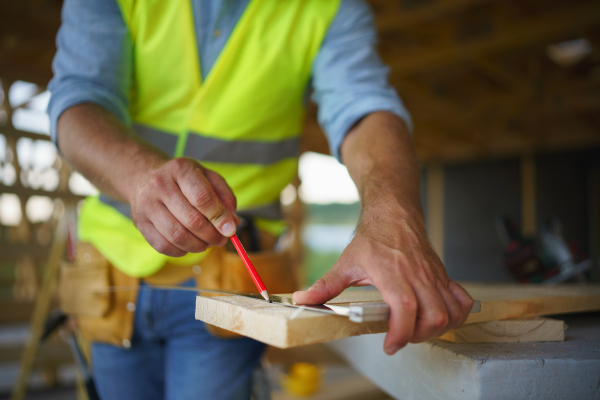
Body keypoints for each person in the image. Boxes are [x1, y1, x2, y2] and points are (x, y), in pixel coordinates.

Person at [48, 0, 474, 399]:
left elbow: (363, 105)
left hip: (230, 281)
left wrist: (394, 216)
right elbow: (77, 100)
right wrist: (137, 175)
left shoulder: (329, 9)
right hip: (106, 275)